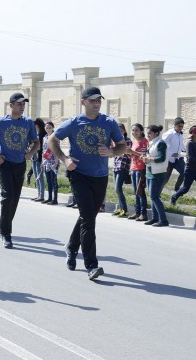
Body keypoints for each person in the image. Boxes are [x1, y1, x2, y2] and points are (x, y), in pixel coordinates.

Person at [47, 87, 125, 280]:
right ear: (83, 102)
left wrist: (112, 152)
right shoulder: (74, 123)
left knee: (88, 217)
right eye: (92, 100)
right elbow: (52, 140)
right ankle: (91, 265)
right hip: (79, 174)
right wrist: (65, 160)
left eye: (99, 100)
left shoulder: (109, 122)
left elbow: (123, 146)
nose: (96, 103)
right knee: (88, 219)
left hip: (100, 176)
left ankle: (72, 247)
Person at [0, 93, 39, 248]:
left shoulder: (27, 122)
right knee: (7, 197)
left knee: (15, 198)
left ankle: (2, 226)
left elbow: (36, 142)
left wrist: (30, 153)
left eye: (23, 104)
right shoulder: (1, 122)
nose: (22, 106)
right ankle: (7, 233)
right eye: (19, 104)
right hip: (4, 163)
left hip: (20, 163)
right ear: (11, 105)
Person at [170, 126, 196, 210]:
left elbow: (195, 155)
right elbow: (190, 158)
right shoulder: (190, 143)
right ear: (193, 134)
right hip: (190, 170)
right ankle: (174, 197)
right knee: (185, 189)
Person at [143, 125, 169, 227]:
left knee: (155, 196)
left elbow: (162, 158)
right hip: (150, 172)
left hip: (158, 173)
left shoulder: (161, 143)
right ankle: (154, 218)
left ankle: (163, 220)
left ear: (156, 133)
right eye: (148, 133)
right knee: (152, 197)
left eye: (150, 133)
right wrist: (146, 159)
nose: (148, 135)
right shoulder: (152, 142)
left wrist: (149, 159)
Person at [111, 124, 133, 217]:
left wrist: (119, 151)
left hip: (123, 167)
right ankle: (120, 209)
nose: (119, 132)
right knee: (116, 189)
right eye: (117, 130)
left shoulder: (127, 141)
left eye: (121, 130)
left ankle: (125, 210)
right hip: (115, 166)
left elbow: (128, 154)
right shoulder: (116, 141)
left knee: (118, 188)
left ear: (124, 131)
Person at [162, 117, 186, 191]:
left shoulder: (180, 134)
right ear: (175, 125)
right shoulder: (169, 134)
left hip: (178, 158)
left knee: (184, 172)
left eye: (182, 126)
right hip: (169, 159)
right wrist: (171, 153)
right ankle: (157, 193)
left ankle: (177, 189)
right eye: (179, 126)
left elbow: (181, 144)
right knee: (166, 178)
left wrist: (186, 150)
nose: (180, 128)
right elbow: (161, 145)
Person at [42, 121, 59, 204]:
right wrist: (42, 162)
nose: (48, 129)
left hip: (53, 162)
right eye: (46, 128)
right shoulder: (44, 138)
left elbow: (57, 151)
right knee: (48, 181)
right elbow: (44, 150)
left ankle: (55, 199)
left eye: (49, 127)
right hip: (46, 162)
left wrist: (55, 164)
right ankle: (49, 198)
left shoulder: (55, 137)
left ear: (52, 128)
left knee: (54, 181)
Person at [30, 118, 47, 202]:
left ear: (37, 125)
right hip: (34, 157)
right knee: (36, 177)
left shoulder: (43, 134)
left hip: (40, 158)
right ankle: (38, 194)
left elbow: (43, 148)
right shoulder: (35, 133)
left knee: (40, 177)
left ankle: (42, 195)